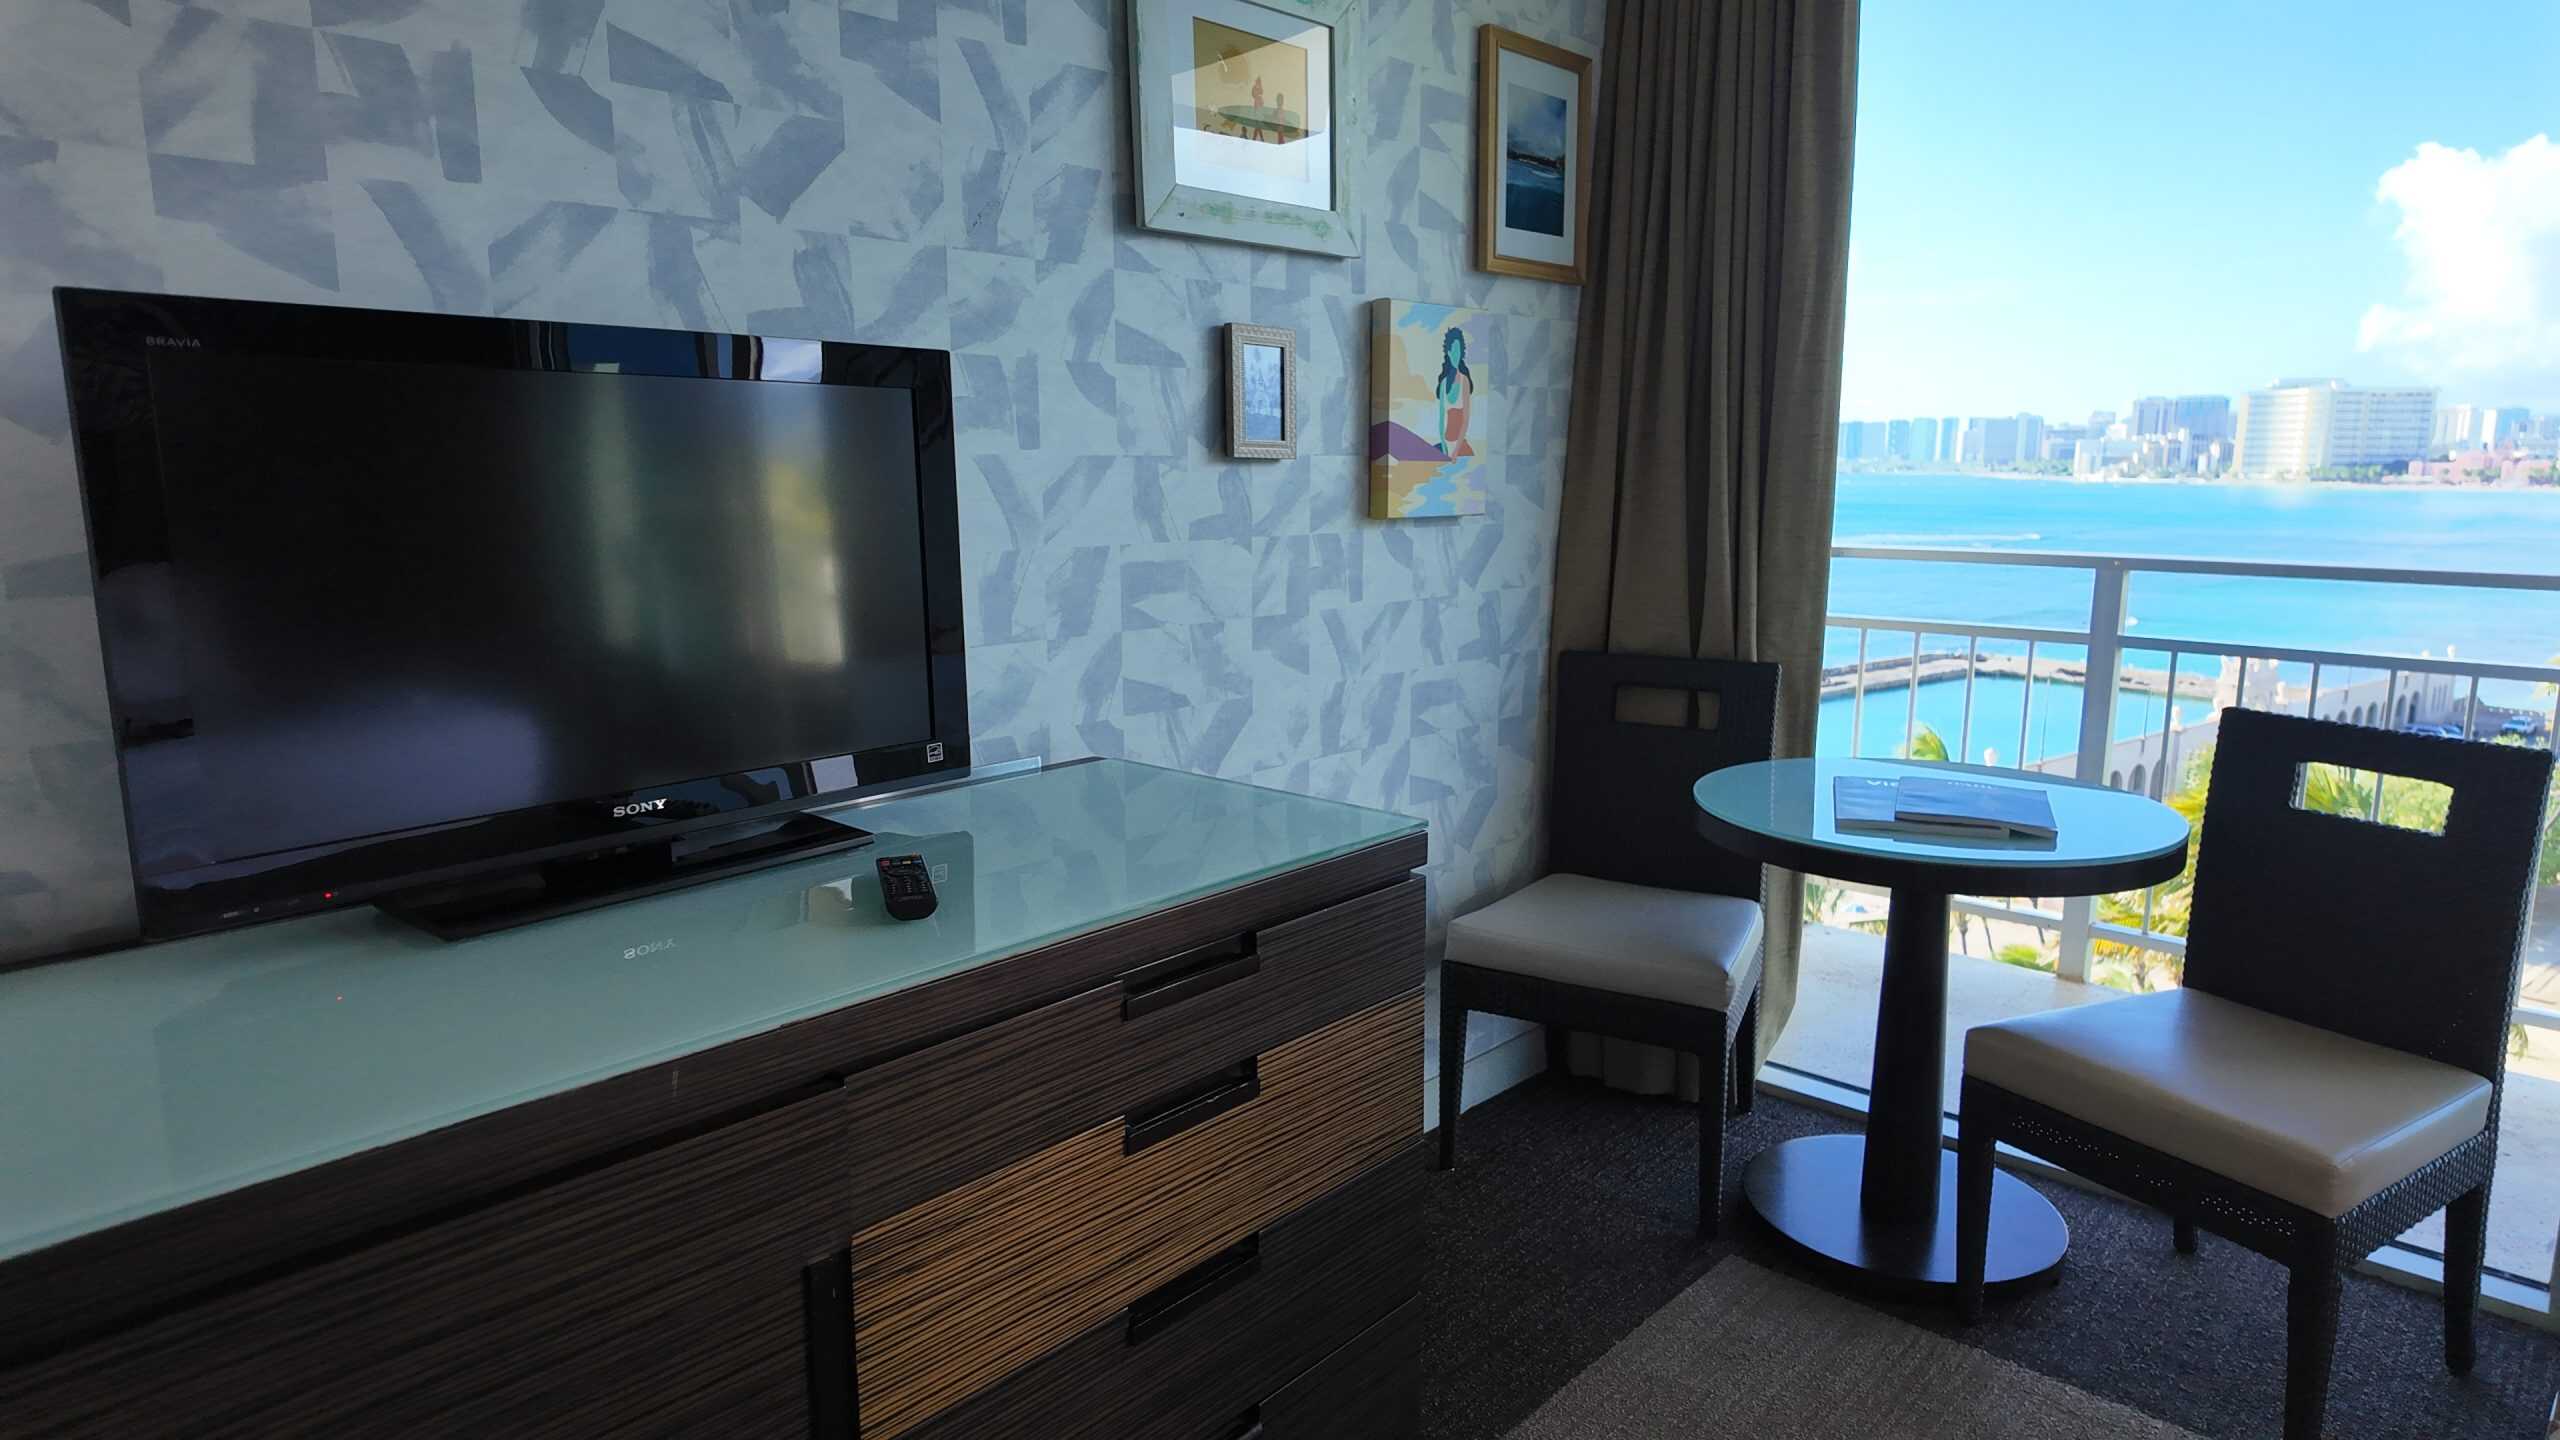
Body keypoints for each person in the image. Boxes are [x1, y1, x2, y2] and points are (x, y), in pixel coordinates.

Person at [1435, 326, 1475, 457]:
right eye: (1452, 350)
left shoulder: (1465, 381)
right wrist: (1444, 446)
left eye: (1458, 350)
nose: (1455, 354)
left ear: (1462, 352)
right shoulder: (1443, 384)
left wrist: (1456, 451)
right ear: (1448, 352)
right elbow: (1441, 419)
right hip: (1445, 445)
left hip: (1460, 445)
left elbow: (1465, 420)